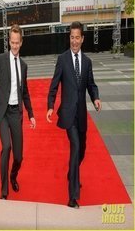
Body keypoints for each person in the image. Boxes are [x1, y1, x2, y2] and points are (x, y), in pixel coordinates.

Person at [46, 21, 102, 209]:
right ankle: (73, 196)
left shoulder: (87, 62)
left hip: (82, 116)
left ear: (82, 39)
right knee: (76, 147)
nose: (74, 41)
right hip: (68, 114)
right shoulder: (62, 59)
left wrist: (96, 98)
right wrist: (50, 106)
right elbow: (54, 85)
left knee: (82, 150)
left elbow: (91, 85)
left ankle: (72, 172)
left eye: (77, 37)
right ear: (69, 38)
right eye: (72, 37)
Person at [0, 24, 36, 200]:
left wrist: (31, 114)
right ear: (9, 42)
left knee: (19, 157)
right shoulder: (1, 59)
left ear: (21, 42)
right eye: (11, 42)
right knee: (6, 147)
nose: (14, 46)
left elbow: (25, 92)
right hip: (2, 112)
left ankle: (13, 176)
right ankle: (4, 190)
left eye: (17, 42)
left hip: (16, 114)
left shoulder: (24, 65)